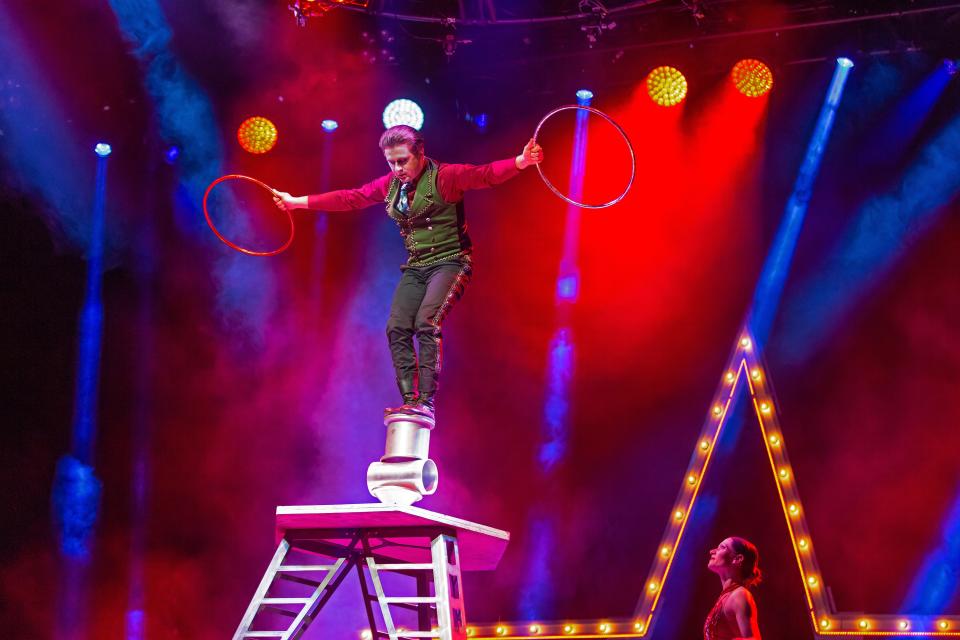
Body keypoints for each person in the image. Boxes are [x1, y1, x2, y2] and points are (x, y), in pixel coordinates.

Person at [273, 125, 543, 418]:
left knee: (427, 321)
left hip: (451, 261)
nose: (397, 168)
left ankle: (426, 402)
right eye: (391, 162)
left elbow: (485, 174)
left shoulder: (446, 176)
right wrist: (297, 202)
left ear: (420, 154)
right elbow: (352, 198)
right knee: (397, 327)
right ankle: (410, 401)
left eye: (403, 161)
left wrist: (521, 161)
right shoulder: (389, 184)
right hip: (417, 266)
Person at [704, 537, 763, 640]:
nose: (712, 551)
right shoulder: (726, 596)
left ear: (737, 559)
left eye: (722, 547)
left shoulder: (739, 595)